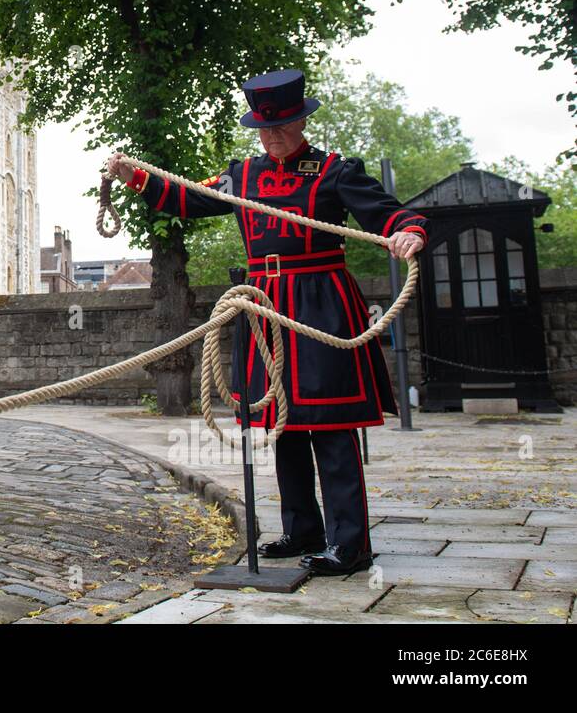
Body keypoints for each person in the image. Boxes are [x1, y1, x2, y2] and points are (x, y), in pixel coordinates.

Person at [105, 68, 427, 575]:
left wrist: (407, 233)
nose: (273, 137)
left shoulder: (335, 172)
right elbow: (186, 197)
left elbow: (389, 214)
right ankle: (302, 530)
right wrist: (135, 177)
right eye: (264, 128)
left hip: (322, 304)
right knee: (283, 425)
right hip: (263, 304)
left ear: (301, 122)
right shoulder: (243, 177)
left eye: (282, 127)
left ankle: (352, 545)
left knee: (333, 426)